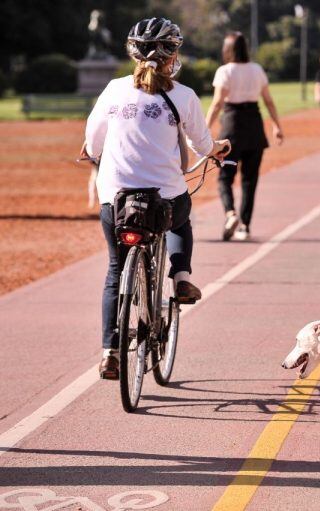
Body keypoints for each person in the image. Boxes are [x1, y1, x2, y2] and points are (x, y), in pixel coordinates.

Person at [82, 17, 230, 379]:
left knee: (116, 269)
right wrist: (218, 150)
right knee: (181, 218)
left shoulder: (114, 89)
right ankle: (180, 277)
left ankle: (109, 351)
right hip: (163, 200)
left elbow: (94, 143)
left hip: (115, 199)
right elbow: (202, 145)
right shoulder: (183, 95)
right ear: (171, 56)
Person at [206, 32, 284, 241]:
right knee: (250, 179)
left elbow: (217, 103)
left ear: (227, 49)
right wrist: (277, 126)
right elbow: (268, 101)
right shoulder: (256, 69)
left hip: (232, 127)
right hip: (254, 126)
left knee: (225, 177)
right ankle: (245, 226)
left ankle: (231, 213)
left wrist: (204, 130)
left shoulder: (225, 71)